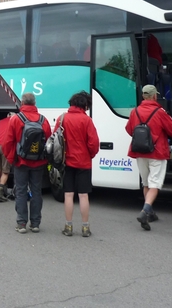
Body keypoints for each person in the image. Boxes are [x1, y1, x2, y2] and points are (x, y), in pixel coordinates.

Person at [125, 84, 172, 231]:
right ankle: (145, 211)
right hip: (157, 153)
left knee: (146, 183)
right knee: (155, 184)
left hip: (139, 151)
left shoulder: (135, 111)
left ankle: (150, 212)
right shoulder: (160, 111)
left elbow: (129, 129)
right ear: (154, 96)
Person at [2, 93, 51, 234]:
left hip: (21, 162)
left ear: (22, 102)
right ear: (34, 103)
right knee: (36, 191)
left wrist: (12, 159)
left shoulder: (16, 119)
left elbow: (8, 143)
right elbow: (48, 141)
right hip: (39, 161)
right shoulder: (43, 120)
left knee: (21, 191)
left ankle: (22, 223)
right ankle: (35, 224)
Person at [57, 91, 100, 238]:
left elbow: (56, 139)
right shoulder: (87, 120)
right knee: (83, 195)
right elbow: (94, 143)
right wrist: (90, 155)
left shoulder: (62, 118)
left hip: (66, 162)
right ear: (85, 105)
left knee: (68, 194)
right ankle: (85, 228)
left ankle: (68, 226)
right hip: (84, 162)